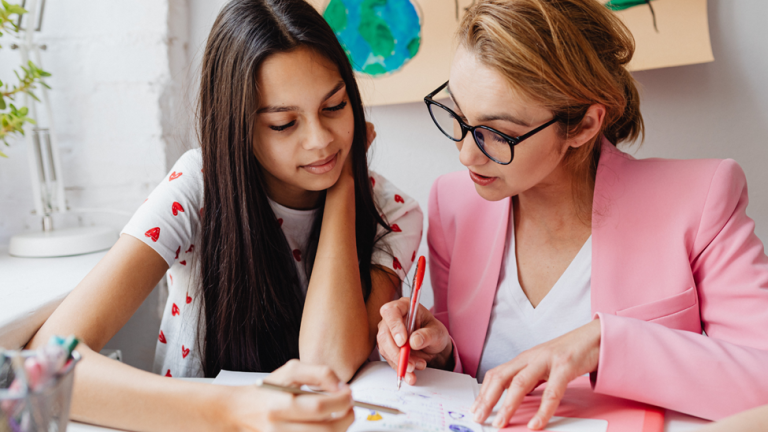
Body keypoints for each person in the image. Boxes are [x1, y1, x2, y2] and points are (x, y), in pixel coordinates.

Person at [27, 0, 422, 430]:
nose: (321, 140)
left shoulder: (392, 210)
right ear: (238, 126)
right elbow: (46, 361)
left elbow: (331, 359)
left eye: (334, 107)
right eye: (284, 124)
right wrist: (235, 410)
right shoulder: (198, 186)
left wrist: (346, 185)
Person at [376, 0, 768, 429]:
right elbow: (471, 371)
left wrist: (602, 343)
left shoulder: (700, 199)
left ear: (583, 125)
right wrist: (441, 350)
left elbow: (761, 378)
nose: (467, 153)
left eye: (498, 133)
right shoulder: (455, 204)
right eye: (458, 116)